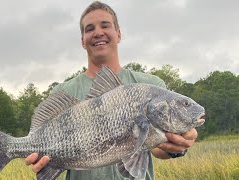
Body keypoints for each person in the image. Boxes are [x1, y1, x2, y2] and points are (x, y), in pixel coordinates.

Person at [25, 1, 198, 179]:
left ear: (119, 34)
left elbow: (157, 149)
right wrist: (42, 163)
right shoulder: (63, 91)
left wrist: (177, 147)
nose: (98, 32)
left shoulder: (151, 84)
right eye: (89, 29)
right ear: (82, 40)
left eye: (105, 25)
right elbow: (44, 150)